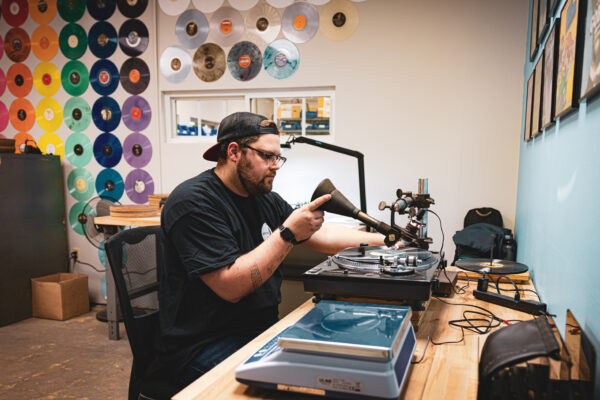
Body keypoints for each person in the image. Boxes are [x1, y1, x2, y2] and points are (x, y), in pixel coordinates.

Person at [158, 112, 385, 388]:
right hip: (204, 345)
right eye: (267, 156)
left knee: (342, 363)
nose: (276, 166)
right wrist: (287, 233)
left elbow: (320, 233)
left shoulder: (263, 197)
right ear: (234, 152)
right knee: (311, 382)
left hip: (259, 330)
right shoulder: (193, 202)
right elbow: (231, 287)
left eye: (278, 157)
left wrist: (385, 240)